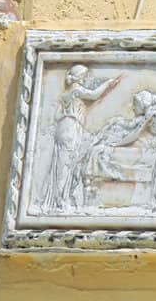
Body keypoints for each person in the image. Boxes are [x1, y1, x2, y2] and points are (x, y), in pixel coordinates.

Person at [39, 64, 123, 212]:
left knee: (66, 163)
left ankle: (62, 198)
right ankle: (60, 200)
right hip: (70, 128)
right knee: (66, 164)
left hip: (66, 127)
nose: (86, 79)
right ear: (79, 77)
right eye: (85, 76)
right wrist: (108, 84)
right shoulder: (76, 90)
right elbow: (94, 95)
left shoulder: (65, 95)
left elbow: (56, 116)